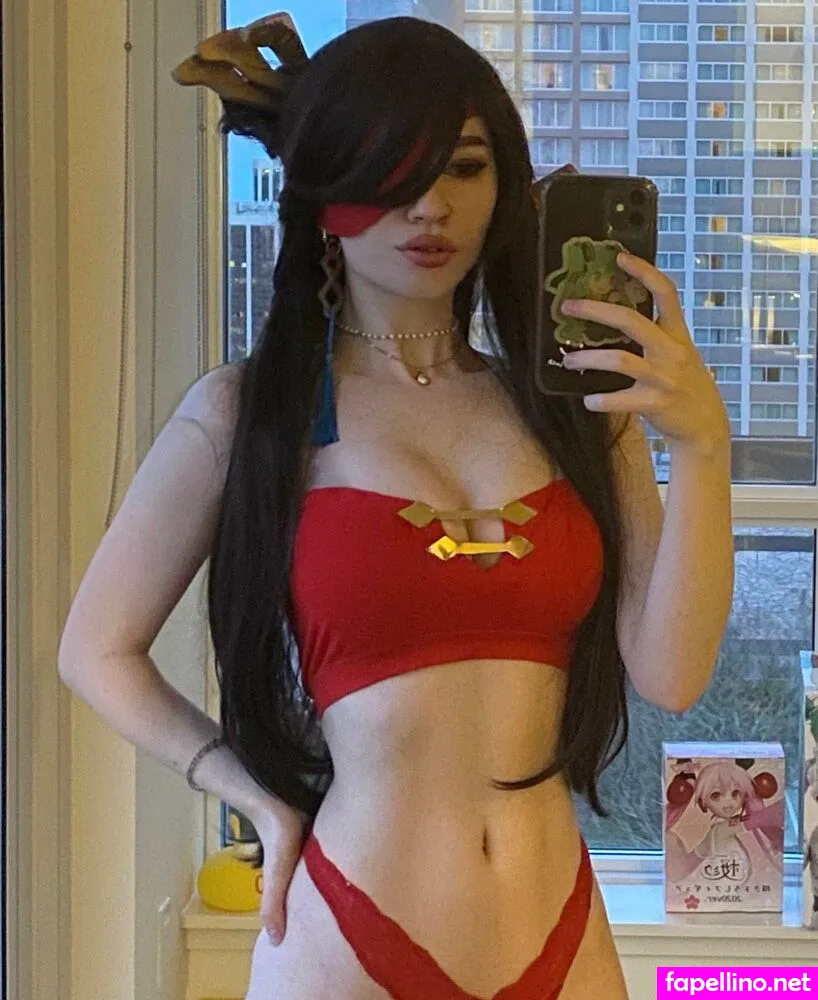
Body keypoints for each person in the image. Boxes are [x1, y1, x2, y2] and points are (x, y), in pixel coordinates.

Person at [57, 13, 734, 1000]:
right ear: (324, 189)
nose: (429, 204)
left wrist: (702, 446)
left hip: (563, 935)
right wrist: (250, 793)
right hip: (348, 935)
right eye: (390, 169)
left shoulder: (573, 412)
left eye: (463, 166)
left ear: (503, 186)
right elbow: (95, 649)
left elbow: (671, 675)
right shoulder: (251, 415)